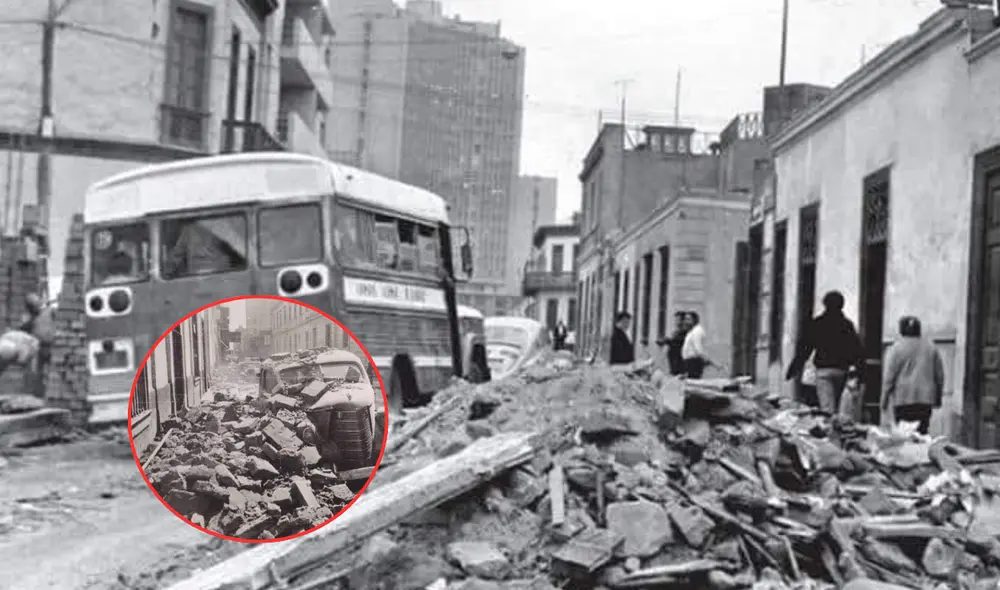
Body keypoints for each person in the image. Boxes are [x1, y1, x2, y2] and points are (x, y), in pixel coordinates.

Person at [786, 290, 865, 415]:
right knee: (836, 404)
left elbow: (805, 348)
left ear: (825, 304)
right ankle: (834, 427)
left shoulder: (817, 323)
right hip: (841, 370)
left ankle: (829, 429)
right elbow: (856, 349)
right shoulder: (846, 324)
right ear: (841, 305)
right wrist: (861, 372)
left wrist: (794, 368)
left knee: (827, 407)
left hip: (823, 370)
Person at [881, 316, 944, 434]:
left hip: (903, 398)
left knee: (904, 433)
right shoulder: (931, 347)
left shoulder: (896, 348)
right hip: (925, 399)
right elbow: (939, 376)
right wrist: (938, 398)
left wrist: (884, 400)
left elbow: (889, 377)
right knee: (922, 431)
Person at [681, 312, 715, 378]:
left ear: (695, 320)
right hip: (689, 362)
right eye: (685, 319)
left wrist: (706, 360)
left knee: (693, 382)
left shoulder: (697, 331)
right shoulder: (692, 331)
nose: (685, 321)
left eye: (688, 319)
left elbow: (698, 349)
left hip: (694, 363)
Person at [662, 311, 689, 376]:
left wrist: (669, 341)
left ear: (683, 321)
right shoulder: (675, 332)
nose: (677, 322)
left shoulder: (686, 333)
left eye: (679, 320)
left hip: (680, 363)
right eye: (676, 320)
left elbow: (679, 342)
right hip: (673, 362)